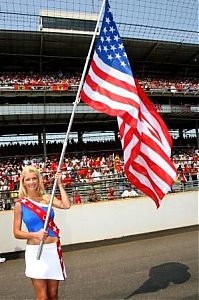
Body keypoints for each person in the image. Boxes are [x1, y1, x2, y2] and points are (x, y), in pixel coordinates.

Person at [13, 165, 70, 300]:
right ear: (23, 183)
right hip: (35, 252)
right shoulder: (20, 204)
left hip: (53, 250)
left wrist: (60, 184)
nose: (32, 182)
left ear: (38, 180)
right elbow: (16, 232)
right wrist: (35, 234)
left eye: (34, 178)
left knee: (53, 294)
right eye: (28, 179)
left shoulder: (47, 198)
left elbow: (66, 205)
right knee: (43, 296)